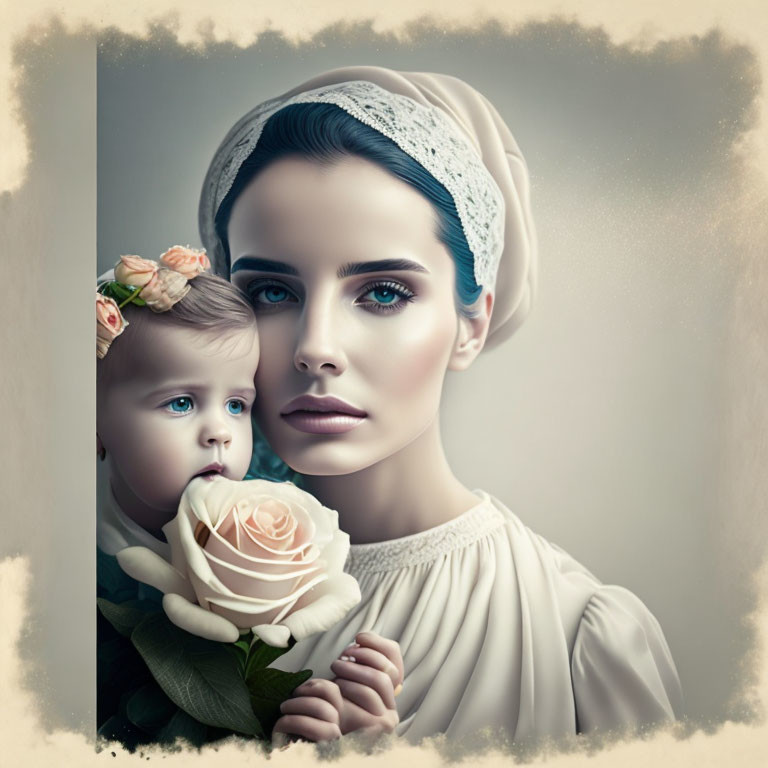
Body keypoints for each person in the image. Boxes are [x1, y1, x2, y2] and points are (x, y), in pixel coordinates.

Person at [197, 66, 685, 747]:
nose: (316, 348)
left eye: (384, 292)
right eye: (272, 293)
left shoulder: (576, 636)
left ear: (471, 324)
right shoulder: (176, 590)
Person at [96, 249, 403, 744]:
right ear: (93, 421)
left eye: (237, 404)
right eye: (180, 402)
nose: (220, 431)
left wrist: (353, 710)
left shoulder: (273, 507)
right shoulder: (92, 578)